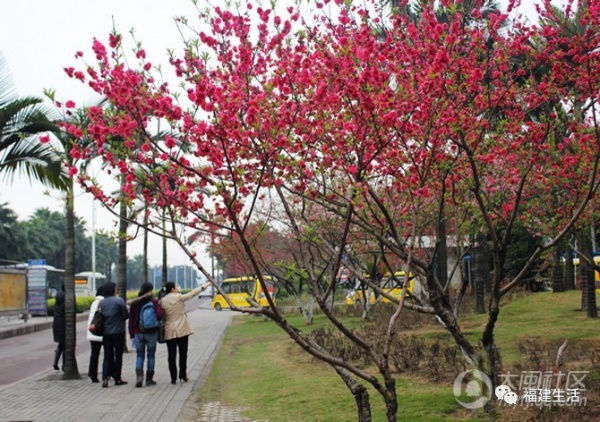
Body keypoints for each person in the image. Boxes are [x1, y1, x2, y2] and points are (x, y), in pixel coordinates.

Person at [160, 281, 207, 384]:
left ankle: (173, 378)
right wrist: (205, 286)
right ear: (172, 289)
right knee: (183, 353)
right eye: (176, 286)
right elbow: (193, 293)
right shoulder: (179, 297)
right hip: (182, 329)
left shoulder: (162, 301)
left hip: (169, 330)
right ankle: (183, 375)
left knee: (171, 355)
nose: (177, 288)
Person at [128, 282, 164, 387]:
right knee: (151, 355)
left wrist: (131, 333)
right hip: (151, 332)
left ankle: (139, 377)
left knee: (140, 355)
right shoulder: (154, 302)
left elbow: (131, 320)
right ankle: (149, 379)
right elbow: (160, 314)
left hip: (138, 332)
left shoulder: (135, 303)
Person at [100, 282, 129, 388]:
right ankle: (117, 378)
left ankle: (104, 378)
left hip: (106, 333)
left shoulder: (102, 302)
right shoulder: (119, 301)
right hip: (118, 332)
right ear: (113, 290)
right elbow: (125, 315)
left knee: (107, 356)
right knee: (118, 356)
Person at [86, 285, 105, 383]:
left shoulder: (94, 302)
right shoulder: (104, 302)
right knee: (107, 354)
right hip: (102, 332)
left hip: (92, 331)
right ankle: (107, 373)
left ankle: (92, 373)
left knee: (94, 354)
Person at [52, 284, 65, 371]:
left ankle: (56, 363)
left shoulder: (58, 295)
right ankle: (64, 365)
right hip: (63, 324)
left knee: (61, 344)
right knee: (65, 345)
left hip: (57, 323)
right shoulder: (66, 297)